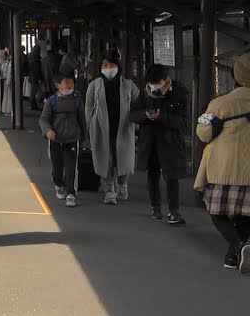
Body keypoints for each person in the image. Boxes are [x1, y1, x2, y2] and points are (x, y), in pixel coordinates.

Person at [195, 53, 250, 271]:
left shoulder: (219, 103)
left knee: (217, 212)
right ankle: (234, 255)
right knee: (246, 213)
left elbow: (203, 133)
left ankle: (237, 246)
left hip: (223, 169)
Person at [130, 64, 189, 224]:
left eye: (157, 83)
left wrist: (162, 117)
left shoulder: (179, 93)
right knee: (153, 174)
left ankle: (174, 211)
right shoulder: (145, 93)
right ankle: (155, 207)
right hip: (150, 140)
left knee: (172, 176)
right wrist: (145, 115)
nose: (153, 86)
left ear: (166, 79)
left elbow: (183, 122)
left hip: (170, 141)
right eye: (151, 83)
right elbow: (133, 114)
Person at [85, 49, 137, 205]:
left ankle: (122, 183)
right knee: (106, 159)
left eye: (112, 65)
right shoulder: (95, 85)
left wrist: (138, 123)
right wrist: (87, 127)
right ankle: (109, 189)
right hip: (101, 128)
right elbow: (88, 107)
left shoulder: (128, 85)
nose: (108, 68)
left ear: (118, 66)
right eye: (105, 65)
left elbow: (139, 103)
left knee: (123, 159)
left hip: (123, 128)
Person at [41, 73, 86, 207]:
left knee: (71, 168)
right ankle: (58, 184)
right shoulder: (51, 101)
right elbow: (44, 119)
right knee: (57, 168)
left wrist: (84, 136)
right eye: (66, 82)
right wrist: (47, 130)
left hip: (72, 139)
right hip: (55, 140)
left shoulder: (77, 101)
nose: (70, 85)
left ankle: (71, 193)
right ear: (58, 85)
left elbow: (82, 119)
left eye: (71, 82)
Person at [28, 43, 45, 111]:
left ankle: (33, 105)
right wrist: (40, 78)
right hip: (35, 78)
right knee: (34, 92)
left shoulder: (30, 58)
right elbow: (37, 70)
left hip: (31, 76)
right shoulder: (36, 60)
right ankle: (33, 105)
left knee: (33, 92)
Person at [0, 48, 13, 116]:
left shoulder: (10, 60)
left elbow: (10, 71)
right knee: (7, 95)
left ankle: (9, 110)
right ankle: (7, 110)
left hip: (8, 80)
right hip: (6, 79)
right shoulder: (8, 59)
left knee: (9, 95)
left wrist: (8, 80)